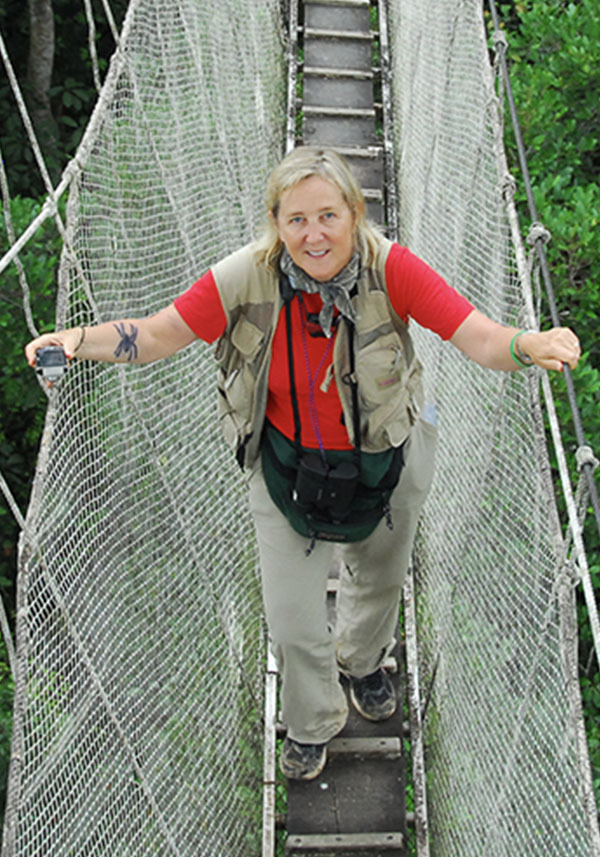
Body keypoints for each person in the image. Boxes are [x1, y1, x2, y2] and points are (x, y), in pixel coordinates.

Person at [25, 146, 581, 781]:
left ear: (355, 212)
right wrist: (78, 341)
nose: (313, 235)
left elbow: (476, 336)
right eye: (296, 220)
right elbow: (154, 336)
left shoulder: (391, 268)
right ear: (275, 223)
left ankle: (364, 661)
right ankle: (314, 719)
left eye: (328, 216)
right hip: (286, 464)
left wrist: (526, 344)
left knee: (378, 579)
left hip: (388, 456)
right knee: (291, 618)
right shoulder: (245, 277)